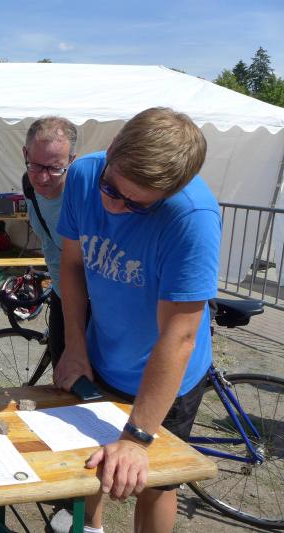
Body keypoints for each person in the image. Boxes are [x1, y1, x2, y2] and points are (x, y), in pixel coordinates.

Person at [54, 107, 220, 533]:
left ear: (170, 192)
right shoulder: (82, 175)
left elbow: (179, 336)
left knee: (153, 482)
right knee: (88, 460)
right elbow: (71, 265)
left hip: (167, 377)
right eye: (111, 188)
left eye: (136, 204)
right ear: (111, 149)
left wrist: (136, 437)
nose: (114, 206)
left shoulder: (193, 217)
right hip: (104, 355)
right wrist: (75, 347)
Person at [22, 117, 78, 368]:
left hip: (91, 303)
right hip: (59, 295)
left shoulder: (83, 195)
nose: (43, 178)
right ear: (25, 154)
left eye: (55, 168)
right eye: (35, 165)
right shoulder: (28, 186)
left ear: (72, 161)